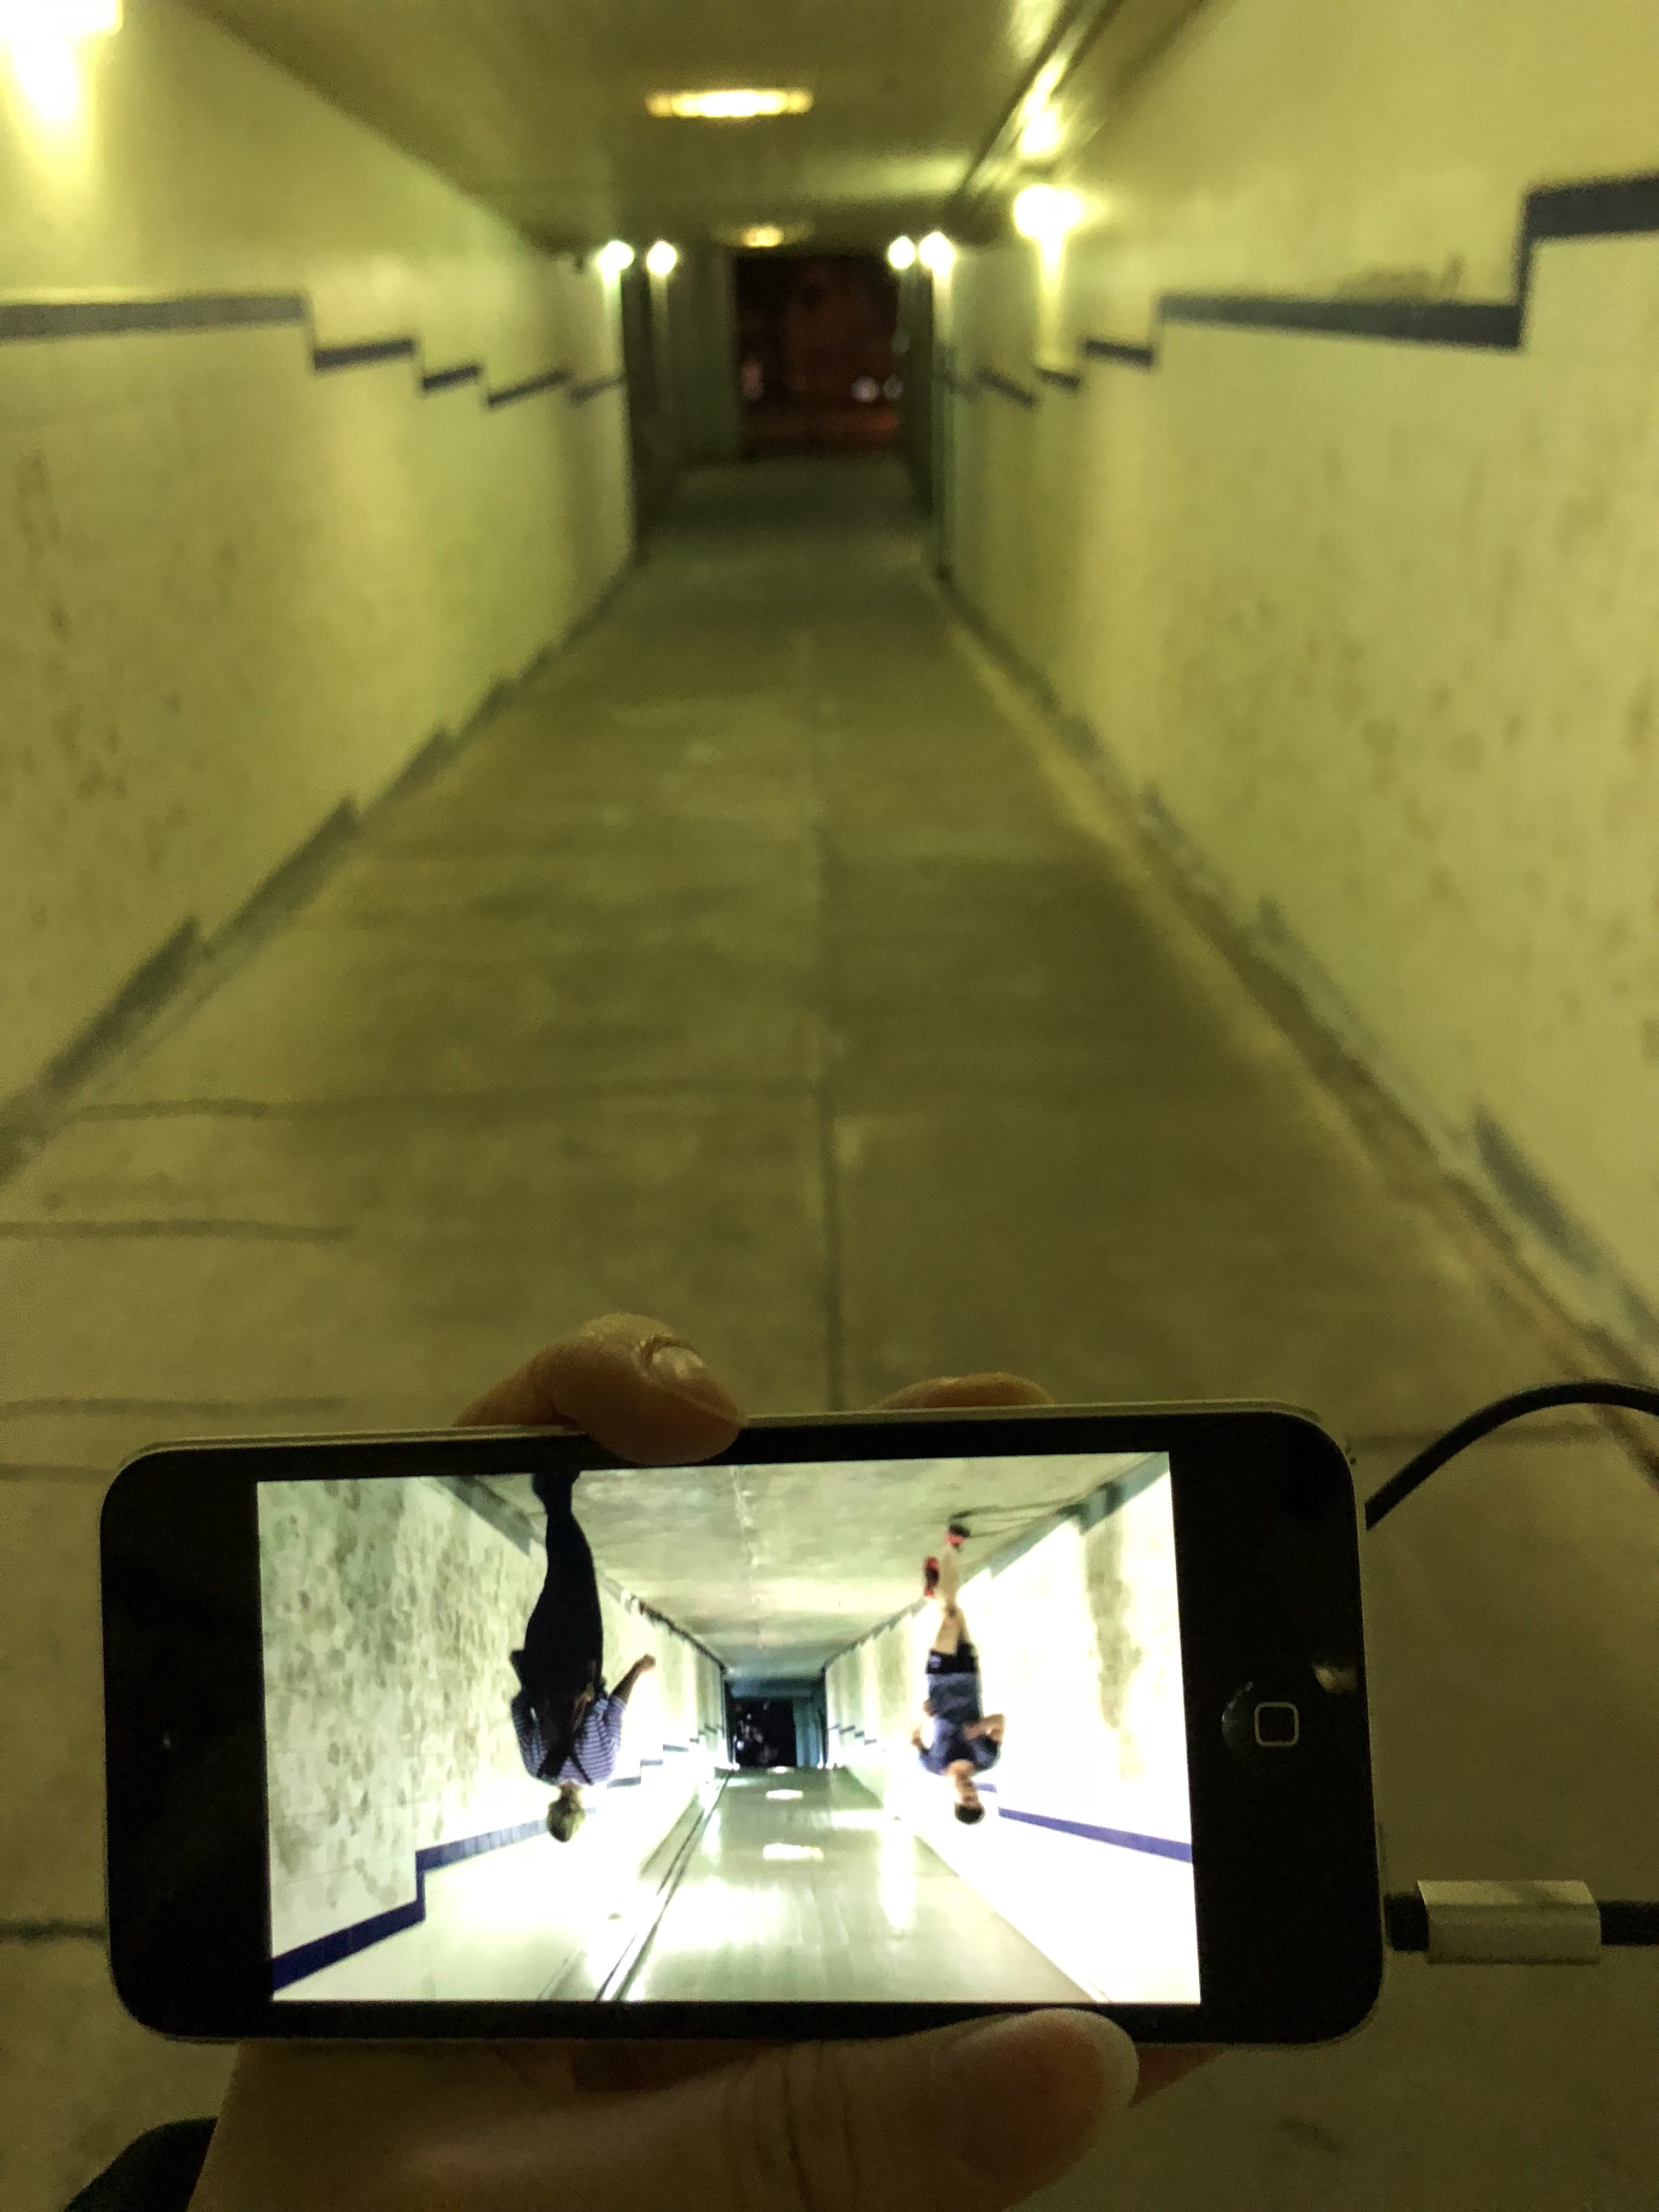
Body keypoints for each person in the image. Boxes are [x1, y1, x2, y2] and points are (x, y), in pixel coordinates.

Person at [70, 1312, 1215, 2212]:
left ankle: (575, 1505)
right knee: (565, 1564)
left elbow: (597, 1708)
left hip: (576, 1654)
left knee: (580, 1561)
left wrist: (642, 1684)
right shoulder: (548, 1769)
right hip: (552, 1644)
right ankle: (564, 1502)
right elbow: (536, 1707)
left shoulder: (594, 1769)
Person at [511, 1468, 658, 1841]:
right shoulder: (536, 1767)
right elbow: (518, 1709)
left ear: (580, 1813)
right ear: (551, 1811)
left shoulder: (604, 1769)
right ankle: (554, 1494)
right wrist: (532, 1684)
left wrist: (639, 1670)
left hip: (582, 1658)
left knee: (578, 1567)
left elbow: (615, 1709)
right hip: (541, 1655)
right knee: (559, 1575)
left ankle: (555, 1490)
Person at [910, 1522, 1004, 1822]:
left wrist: (923, 1717)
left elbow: (912, 1738)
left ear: (954, 1801)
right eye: (976, 1796)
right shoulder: (986, 1759)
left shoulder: (933, 1764)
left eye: (966, 1798)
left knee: (951, 1617)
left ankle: (953, 1546)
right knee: (953, 1612)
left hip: (938, 1681)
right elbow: (1001, 1722)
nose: (970, 1790)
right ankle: (933, 1589)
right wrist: (982, 1727)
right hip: (968, 1677)